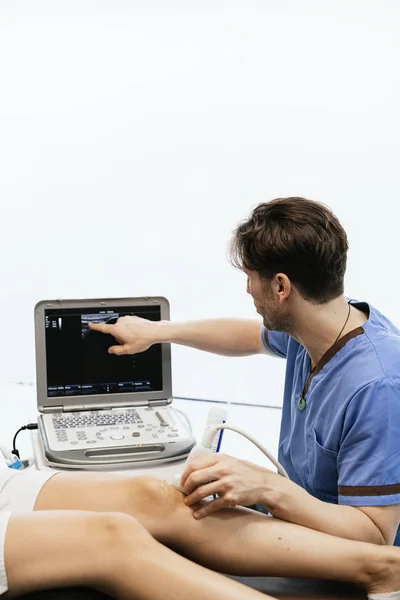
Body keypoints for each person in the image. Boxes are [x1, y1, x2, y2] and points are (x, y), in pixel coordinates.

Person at [89, 197, 400, 547]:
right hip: (299, 524)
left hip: (348, 565)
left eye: (250, 278)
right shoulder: (317, 322)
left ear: (281, 287)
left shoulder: (378, 385)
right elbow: (247, 335)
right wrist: (157, 332)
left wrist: (266, 486)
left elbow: (376, 536)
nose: (248, 289)